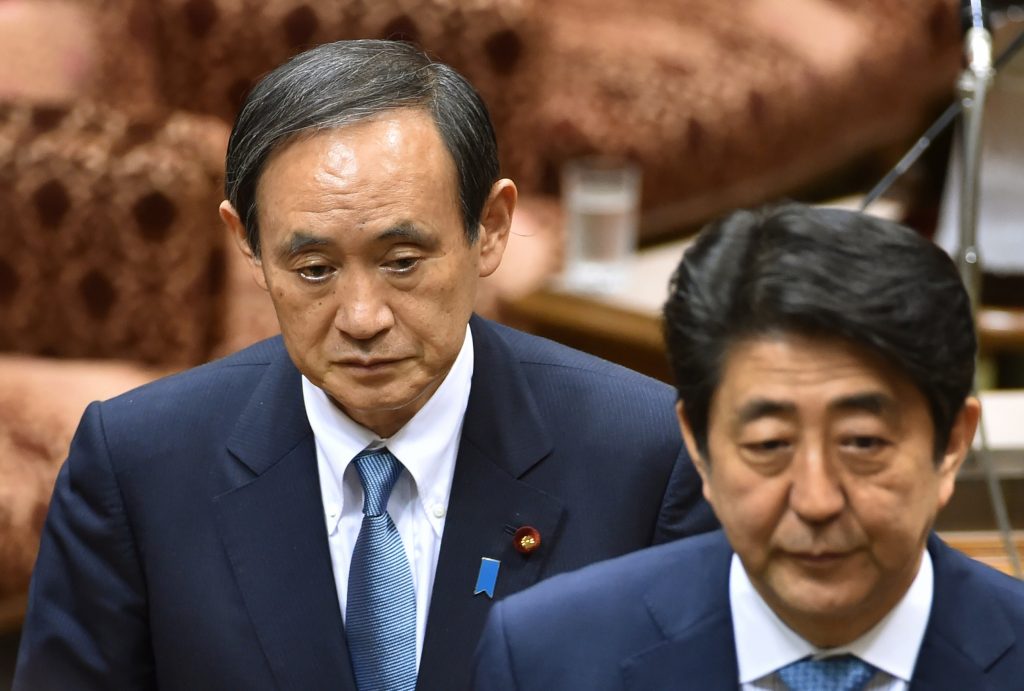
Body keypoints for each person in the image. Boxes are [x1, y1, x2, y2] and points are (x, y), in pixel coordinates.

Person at [13, 39, 715, 691]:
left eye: (402, 262)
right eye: (314, 269)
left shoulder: (645, 458)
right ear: (248, 244)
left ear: (491, 228)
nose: (362, 317)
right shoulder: (138, 465)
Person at [472, 203, 1024, 690]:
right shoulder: (549, 658)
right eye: (769, 444)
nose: (815, 500)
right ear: (701, 445)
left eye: (862, 443)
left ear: (951, 444)